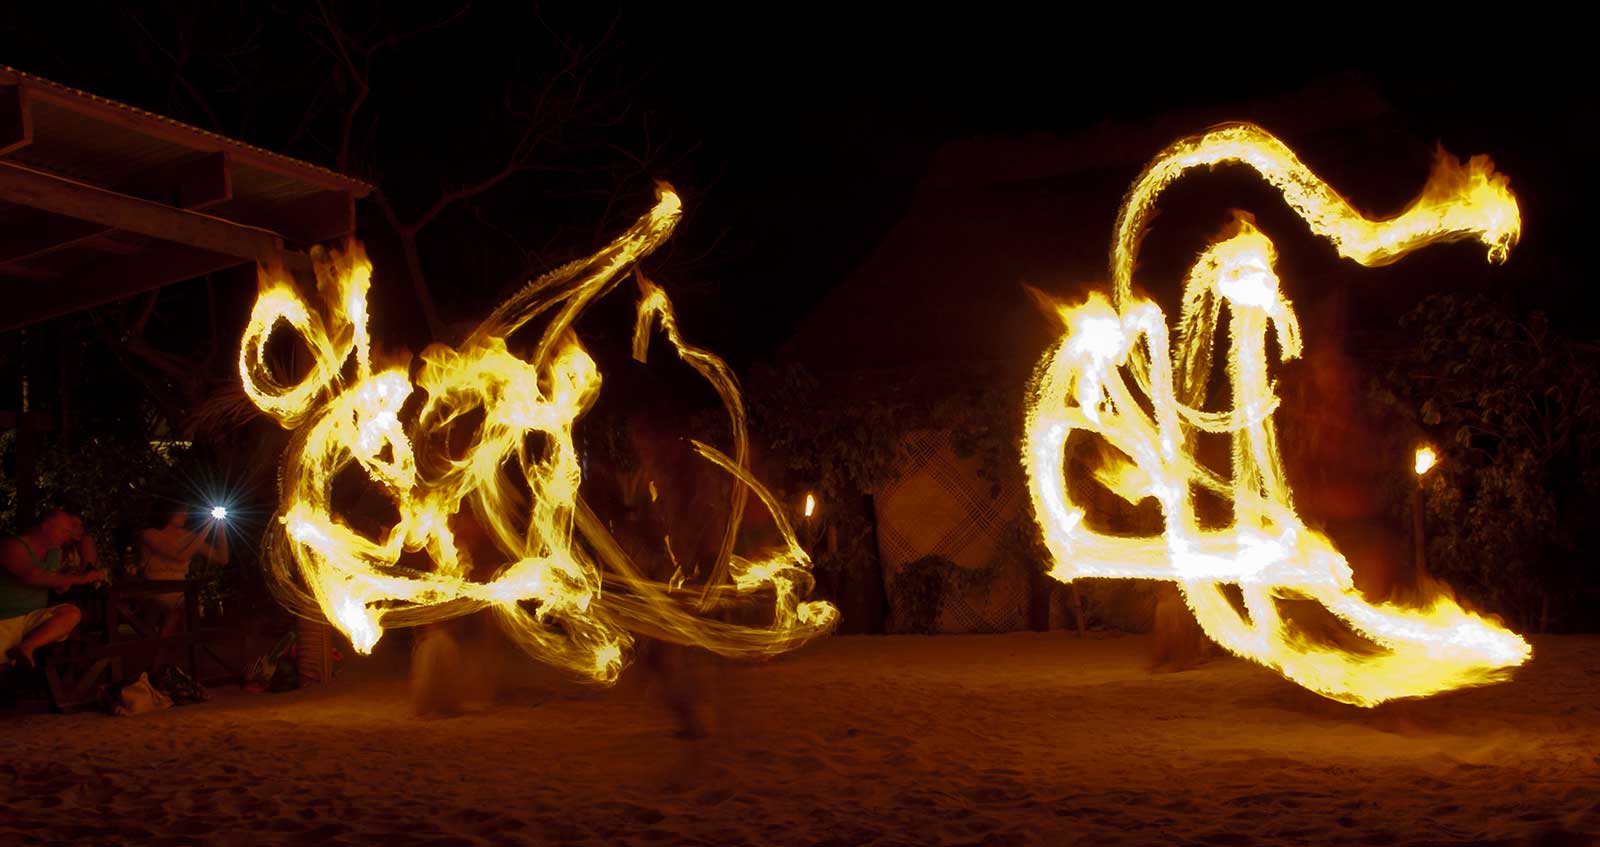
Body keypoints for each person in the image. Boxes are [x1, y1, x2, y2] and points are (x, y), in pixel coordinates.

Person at [0, 508, 106, 668]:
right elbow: (33, 576)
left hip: (32, 616)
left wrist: (62, 583)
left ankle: (28, 646)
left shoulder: (54, 551)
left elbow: (52, 582)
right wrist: (80, 579)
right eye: (64, 531)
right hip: (5, 617)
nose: (67, 537)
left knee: (71, 613)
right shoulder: (12, 546)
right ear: (46, 526)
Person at [137, 505, 229, 637]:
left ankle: (171, 647)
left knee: (184, 611)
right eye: (181, 511)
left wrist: (221, 531)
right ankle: (161, 646)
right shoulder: (150, 534)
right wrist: (207, 528)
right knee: (177, 611)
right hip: (156, 587)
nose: (185, 515)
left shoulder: (188, 536)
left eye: (186, 512)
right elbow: (180, 557)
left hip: (181, 589)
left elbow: (222, 558)